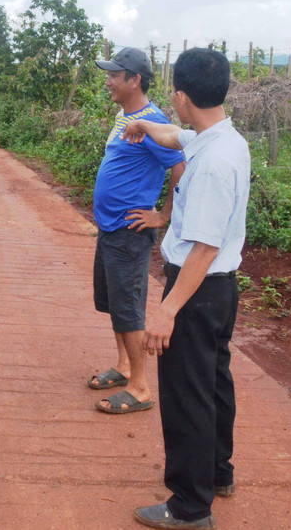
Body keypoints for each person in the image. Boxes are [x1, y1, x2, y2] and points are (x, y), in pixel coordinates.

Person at [122, 48, 250, 529]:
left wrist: (167, 310)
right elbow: (177, 136)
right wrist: (144, 126)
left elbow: (203, 248)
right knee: (214, 383)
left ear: (180, 95)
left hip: (197, 286)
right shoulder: (223, 139)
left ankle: (189, 507)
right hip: (221, 291)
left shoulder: (213, 163)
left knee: (186, 395)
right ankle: (218, 473)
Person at [87, 48, 185, 415]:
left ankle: (140, 387)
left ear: (135, 80)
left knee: (129, 308)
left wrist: (163, 215)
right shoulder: (126, 115)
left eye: (115, 75)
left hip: (129, 232)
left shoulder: (152, 122)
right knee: (114, 302)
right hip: (111, 227)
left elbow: (180, 165)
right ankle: (124, 366)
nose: (108, 81)